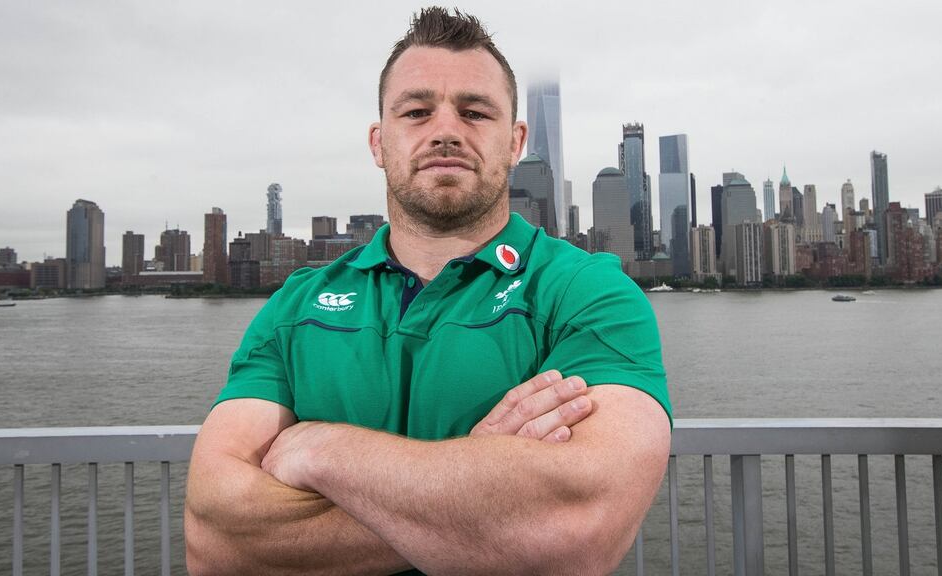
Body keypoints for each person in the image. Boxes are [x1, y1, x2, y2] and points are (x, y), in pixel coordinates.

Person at [185, 7, 671, 575]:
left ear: (514, 142)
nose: (445, 130)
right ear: (378, 141)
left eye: (474, 112)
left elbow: (575, 529)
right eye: (416, 111)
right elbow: (216, 541)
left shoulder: (587, 294)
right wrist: (485, 486)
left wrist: (322, 452)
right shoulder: (295, 307)